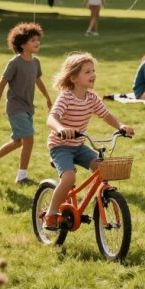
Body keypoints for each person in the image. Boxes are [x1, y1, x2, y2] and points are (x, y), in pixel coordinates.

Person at [43, 52, 133, 230]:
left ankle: (102, 199)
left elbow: (106, 115)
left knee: (103, 169)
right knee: (69, 178)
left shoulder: (91, 97)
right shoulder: (66, 97)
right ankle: (51, 214)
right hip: (60, 146)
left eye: (93, 70)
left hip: (78, 145)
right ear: (74, 77)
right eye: (87, 72)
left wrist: (120, 126)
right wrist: (61, 129)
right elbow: (51, 118)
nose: (92, 74)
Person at [0, 22, 52, 185]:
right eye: (33, 40)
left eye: (38, 39)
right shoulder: (15, 63)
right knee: (28, 138)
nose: (37, 43)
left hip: (28, 107)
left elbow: (38, 80)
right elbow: (1, 84)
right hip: (15, 107)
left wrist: (47, 97)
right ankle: (22, 176)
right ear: (22, 44)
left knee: (18, 141)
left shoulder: (35, 62)